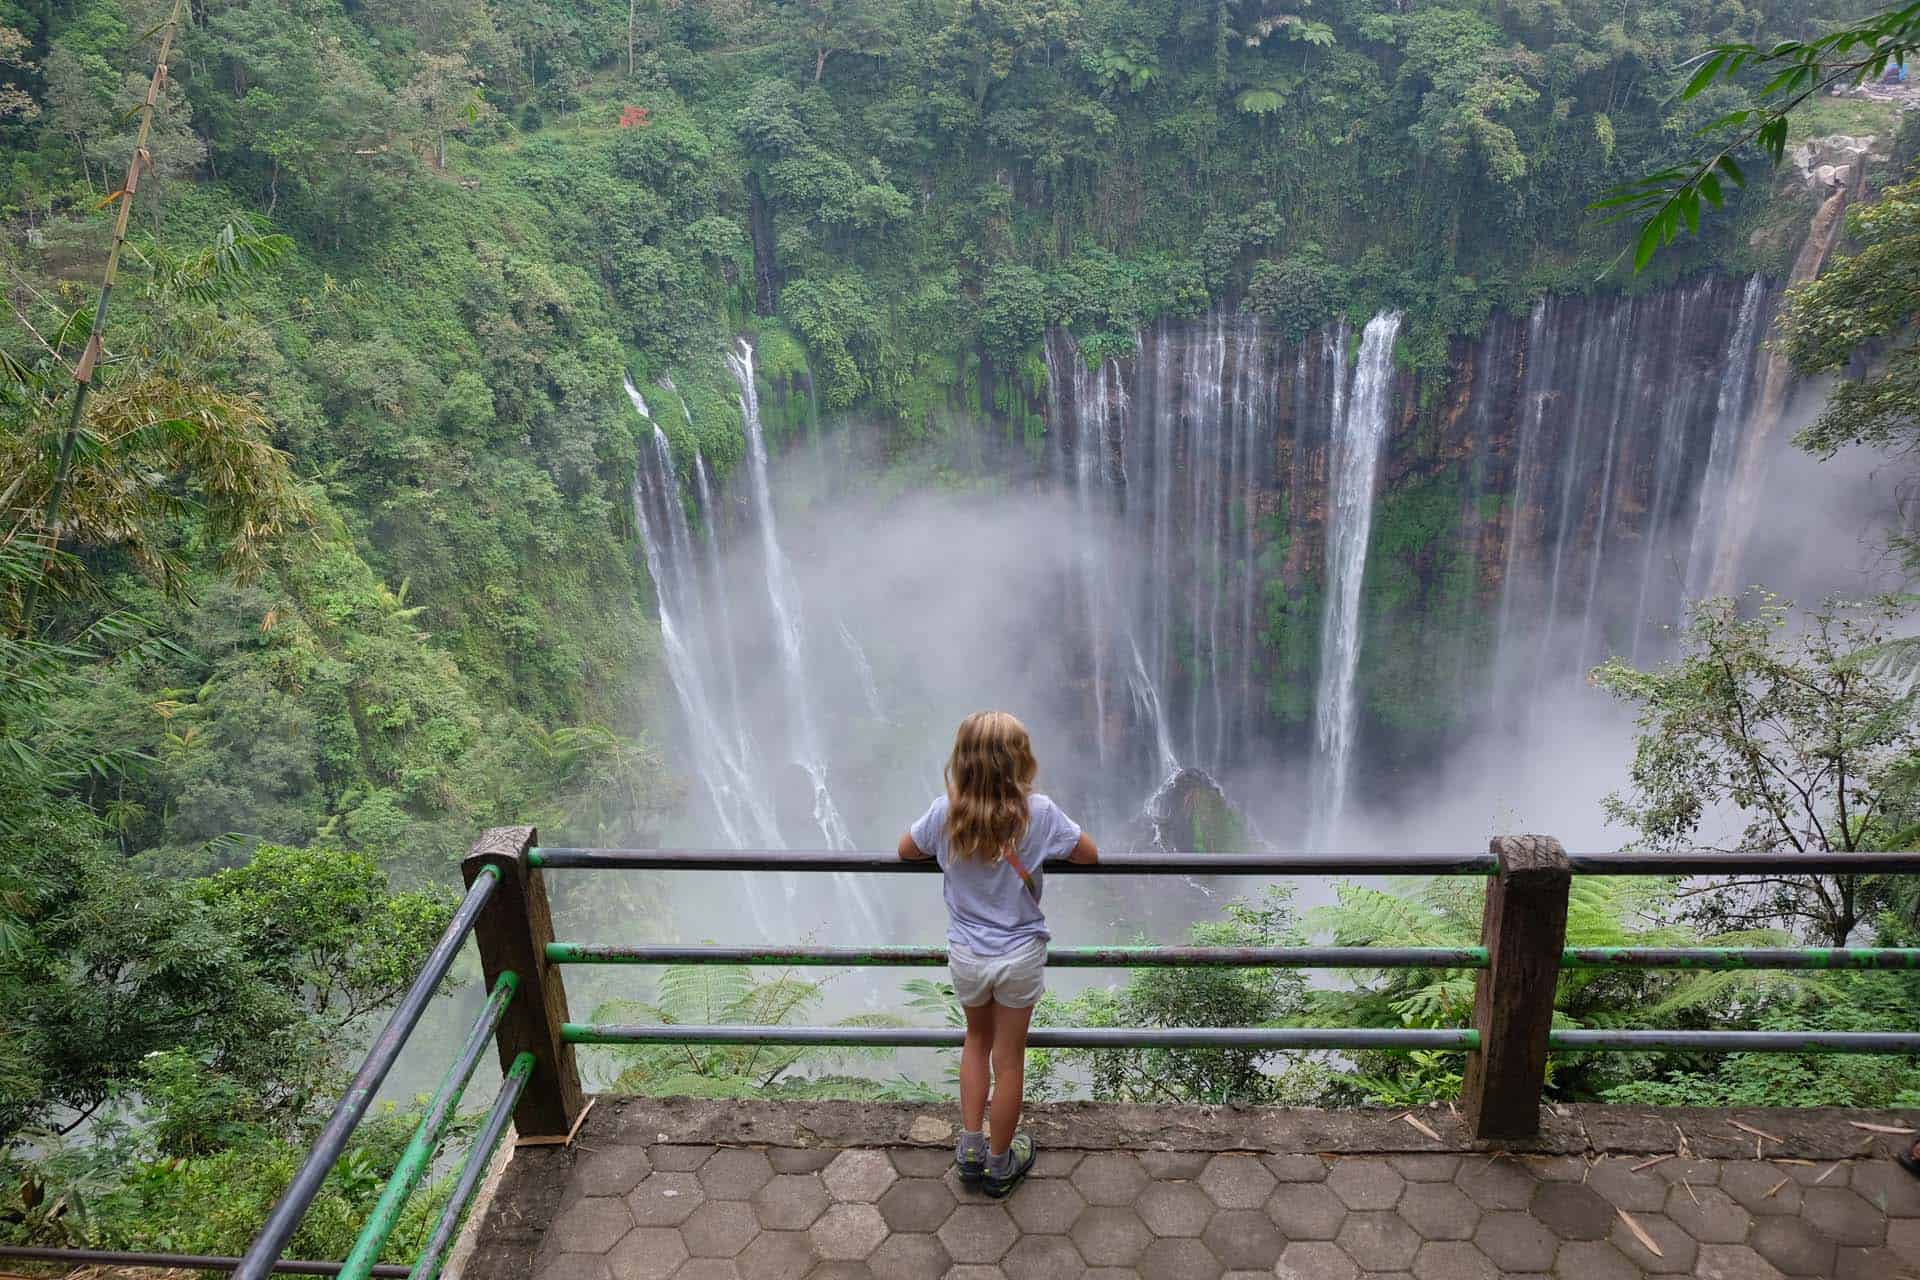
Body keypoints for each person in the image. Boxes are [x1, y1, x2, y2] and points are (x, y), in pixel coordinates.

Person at [898, 710, 1098, 1197]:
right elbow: (1089, 853)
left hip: (967, 951)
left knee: (975, 1041)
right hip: (1020, 953)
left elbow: (906, 850)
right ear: (1020, 762)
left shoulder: (944, 813)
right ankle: (1000, 1161)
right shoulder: (1040, 813)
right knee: (1009, 1060)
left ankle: (969, 1150)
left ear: (962, 762)